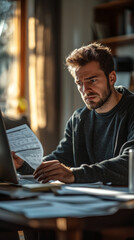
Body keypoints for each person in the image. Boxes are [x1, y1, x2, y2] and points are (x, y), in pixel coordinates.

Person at [14, 42, 134, 186]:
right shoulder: (78, 119)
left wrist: (74, 174)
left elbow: (131, 163)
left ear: (112, 78)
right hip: (92, 201)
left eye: (92, 80)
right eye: (79, 83)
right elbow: (61, 158)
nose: (85, 90)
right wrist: (23, 164)